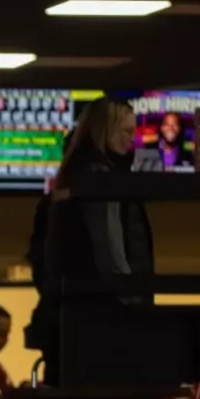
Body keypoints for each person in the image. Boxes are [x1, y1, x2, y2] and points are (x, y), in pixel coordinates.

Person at [24, 97, 148, 380]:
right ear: (105, 131)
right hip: (100, 319)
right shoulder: (101, 180)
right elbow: (110, 252)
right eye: (126, 132)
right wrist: (135, 304)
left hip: (66, 316)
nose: (132, 139)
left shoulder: (70, 177)